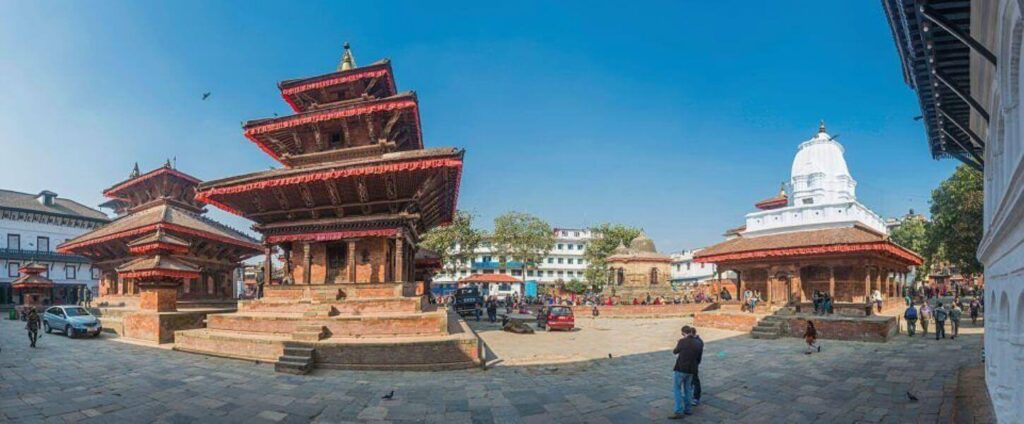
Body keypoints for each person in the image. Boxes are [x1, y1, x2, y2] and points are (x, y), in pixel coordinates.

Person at [670, 325, 702, 420]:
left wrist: (678, 344)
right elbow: (699, 358)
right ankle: (688, 409)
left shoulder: (682, 341)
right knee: (688, 389)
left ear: (683, 333)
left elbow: (675, 351)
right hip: (692, 369)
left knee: (677, 389)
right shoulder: (698, 343)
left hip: (681, 368)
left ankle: (678, 411)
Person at [688, 327, 704, 407]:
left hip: (694, 363)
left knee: (695, 380)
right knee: (690, 380)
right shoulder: (696, 341)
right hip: (691, 363)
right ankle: (690, 394)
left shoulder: (698, 342)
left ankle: (696, 398)